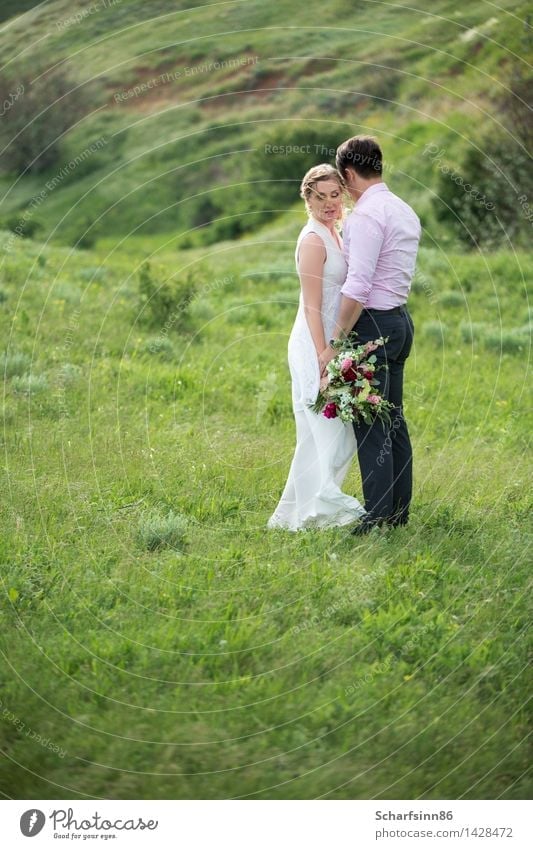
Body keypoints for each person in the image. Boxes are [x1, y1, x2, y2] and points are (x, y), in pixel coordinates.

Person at [319, 136, 421, 535]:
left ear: (347, 174)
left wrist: (335, 343)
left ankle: (376, 516)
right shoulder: (403, 209)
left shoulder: (365, 216)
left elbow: (358, 287)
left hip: (372, 326)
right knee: (393, 419)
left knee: (371, 422)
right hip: (399, 320)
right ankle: (397, 512)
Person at [267, 164, 366, 531]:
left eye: (335, 195)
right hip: (314, 342)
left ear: (343, 195)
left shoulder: (334, 232)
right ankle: (322, 512)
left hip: (332, 342)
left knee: (324, 435)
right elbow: (311, 306)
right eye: (319, 197)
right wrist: (324, 353)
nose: (329, 203)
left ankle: (299, 515)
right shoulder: (312, 239)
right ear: (307, 199)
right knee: (327, 433)